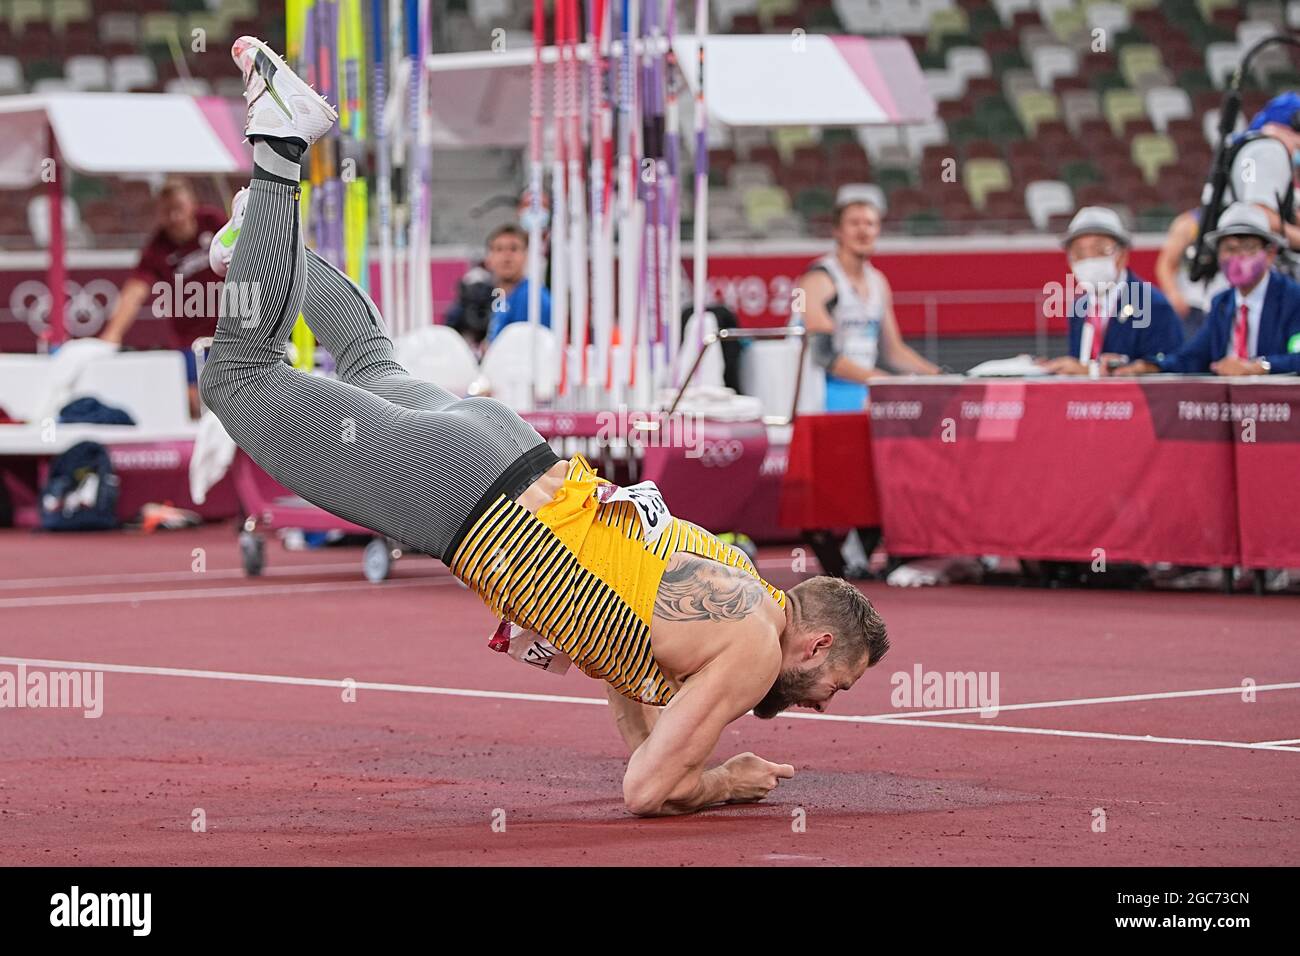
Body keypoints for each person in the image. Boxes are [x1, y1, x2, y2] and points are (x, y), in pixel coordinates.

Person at [201, 36, 890, 817]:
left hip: (506, 445)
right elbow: (647, 791)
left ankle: (258, 234)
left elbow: (621, 669)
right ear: (819, 643)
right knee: (238, 377)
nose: (830, 702)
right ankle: (281, 148)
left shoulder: (738, 582)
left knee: (368, 360)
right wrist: (725, 779)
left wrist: (676, 756)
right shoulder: (754, 651)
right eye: (842, 683)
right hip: (472, 497)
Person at [793, 188, 939, 411]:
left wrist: (938, 375)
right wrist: (881, 381)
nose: (863, 230)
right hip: (823, 388)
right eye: (854, 223)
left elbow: (894, 351)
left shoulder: (878, 282)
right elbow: (823, 355)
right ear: (837, 231)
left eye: (869, 224)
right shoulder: (817, 280)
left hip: (864, 385)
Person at [1117, 203, 1300, 376]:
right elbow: (1193, 357)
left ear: (1269, 254)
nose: (1238, 257)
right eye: (1229, 249)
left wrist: (1259, 367)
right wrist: (1150, 366)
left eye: (1248, 248)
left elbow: (1296, 357)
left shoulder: (1292, 298)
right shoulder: (1222, 303)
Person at [99, 178, 227, 418]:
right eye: (168, 212)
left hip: (229, 334)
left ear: (192, 205)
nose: (175, 218)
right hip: (189, 342)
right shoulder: (157, 248)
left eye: (179, 208)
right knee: (194, 401)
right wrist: (112, 335)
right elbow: (135, 291)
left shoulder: (213, 222)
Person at [1043, 206, 1184, 375]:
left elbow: (1172, 364)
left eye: (1100, 249)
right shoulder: (1079, 308)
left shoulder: (1152, 304)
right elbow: (1078, 364)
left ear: (1122, 255)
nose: (1089, 259)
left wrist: (1123, 368)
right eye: (1079, 252)